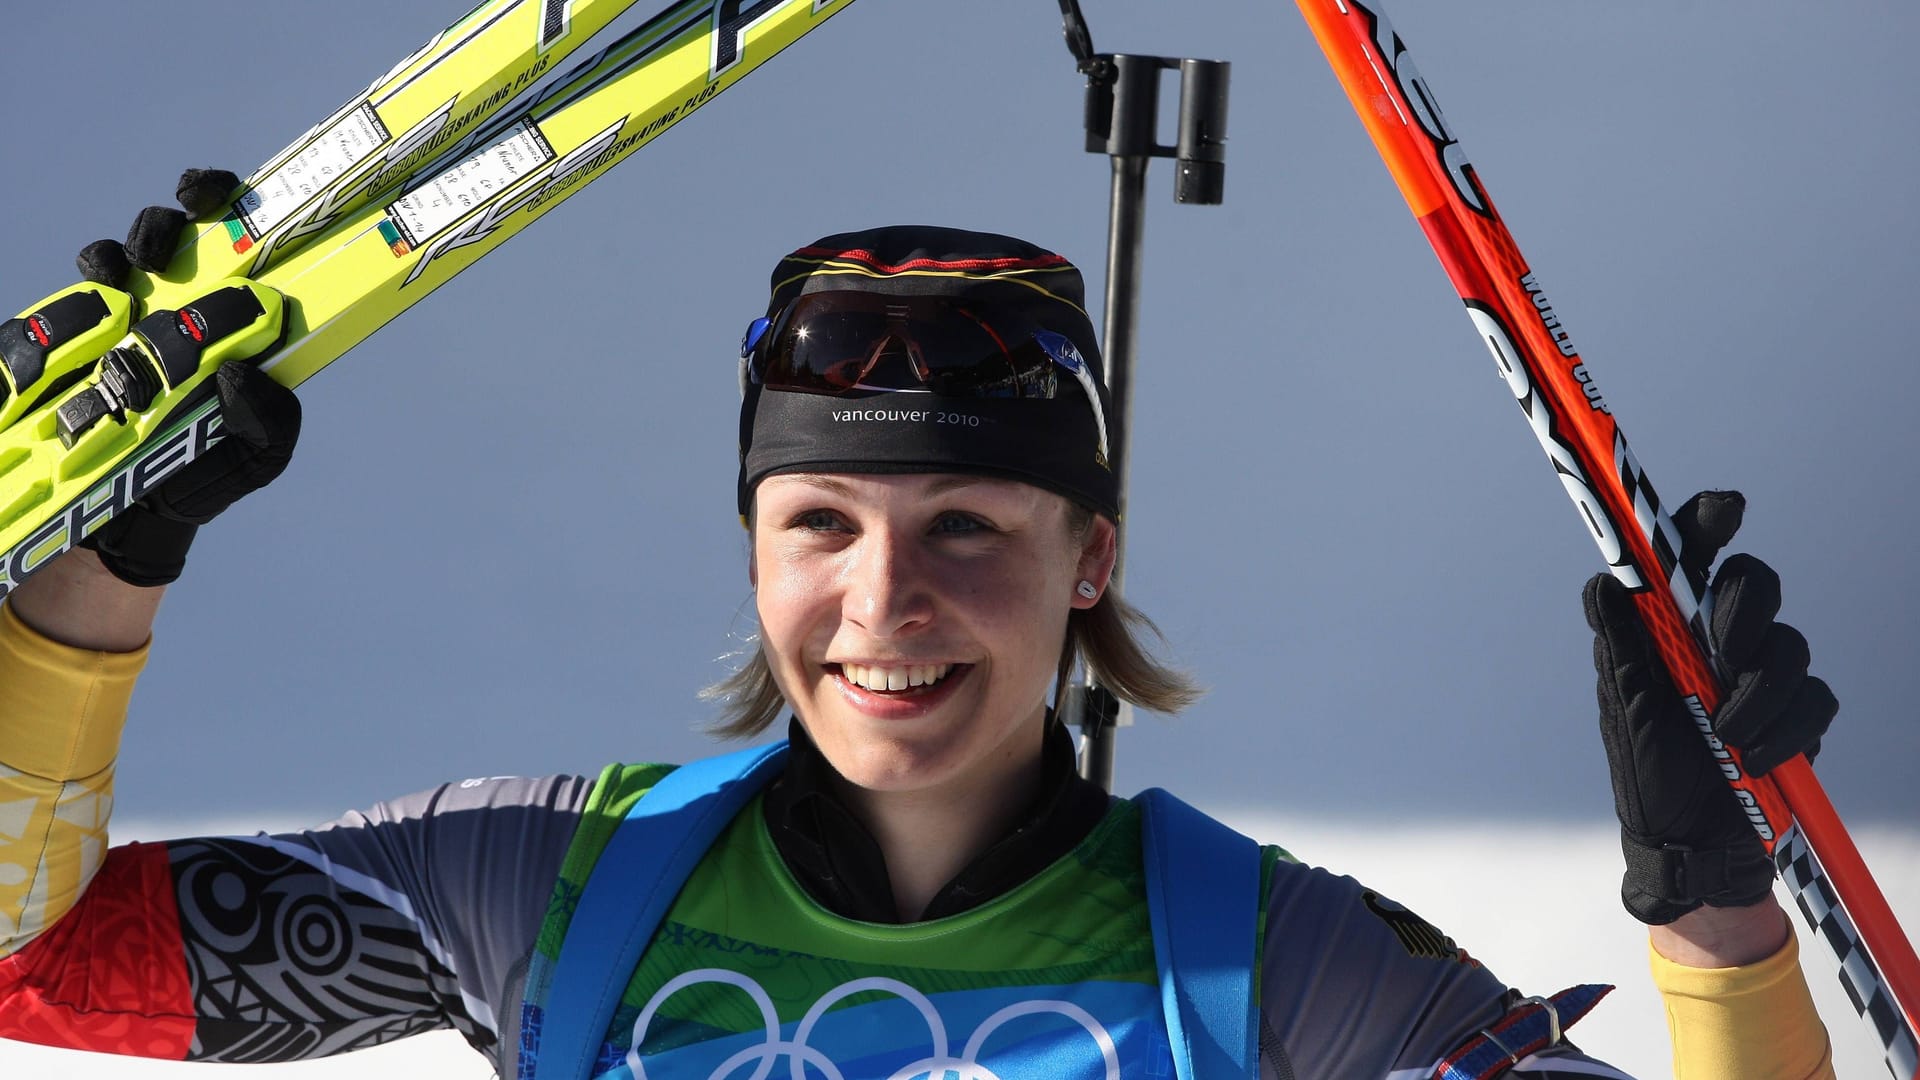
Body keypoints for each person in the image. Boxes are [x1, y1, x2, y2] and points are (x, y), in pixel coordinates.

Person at [0, 215, 1837, 1078]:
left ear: (1092, 557)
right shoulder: (556, 881)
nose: (885, 603)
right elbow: (39, 963)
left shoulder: (1273, 969)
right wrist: (94, 571)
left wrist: (1717, 923)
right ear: (752, 552)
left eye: (970, 528)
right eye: (821, 526)